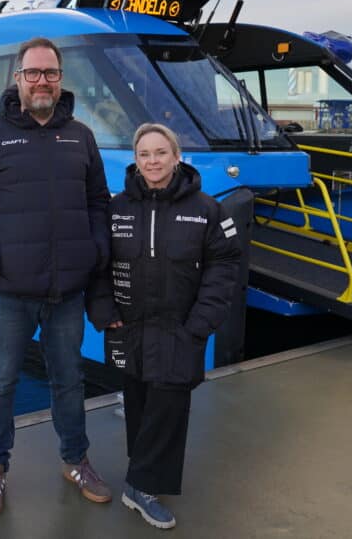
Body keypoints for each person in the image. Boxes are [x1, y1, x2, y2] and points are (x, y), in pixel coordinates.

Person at [0, 37, 112, 517]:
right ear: (17, 78)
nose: (42, 81)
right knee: (0, 383)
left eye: (51, 74)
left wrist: (93, 250)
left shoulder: (80, 137)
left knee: (69, 381)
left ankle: (75, 460)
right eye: (33, 73)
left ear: (61, 81)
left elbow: (99, 202)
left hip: (67, 293)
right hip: (11, 294)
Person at [87, 122, 241, 529]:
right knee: (138, 401)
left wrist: (202, 322)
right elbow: (97, 264)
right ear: (135, 161)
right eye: (144, 154)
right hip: (129, 325)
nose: (152, 161)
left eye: (160, 153)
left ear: (176, 157)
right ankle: (141, 477)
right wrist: (103, 310)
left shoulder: (207, 209)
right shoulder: (117, 208)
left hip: (180, 327)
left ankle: (140, 486)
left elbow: (224, 266)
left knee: (170, 404)